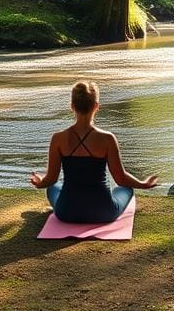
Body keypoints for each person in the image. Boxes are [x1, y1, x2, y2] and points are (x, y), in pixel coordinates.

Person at [30, 80, 158, 223]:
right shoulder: (108, 139)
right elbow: (120, 179)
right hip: (103, 212)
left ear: (72, 106)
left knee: (52, 187)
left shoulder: (58, 138)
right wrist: (143, 184)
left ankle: (71, 205)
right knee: (127, 188)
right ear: (96, 106)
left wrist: (40, 183)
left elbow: (51, 179)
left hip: (67, 212)